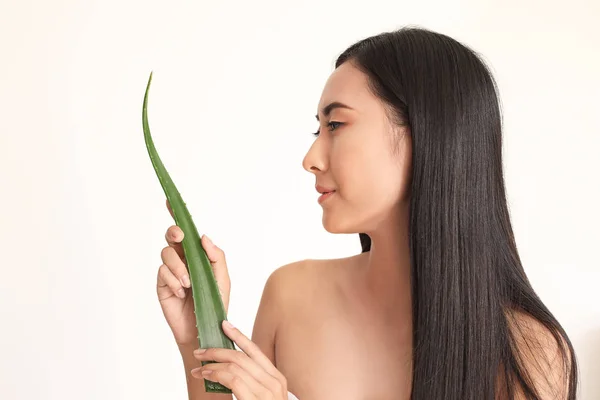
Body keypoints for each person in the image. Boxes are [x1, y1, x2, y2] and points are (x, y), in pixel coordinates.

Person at [155, 26, 579, 400]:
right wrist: (200, 336)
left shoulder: (529, 352)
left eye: (335, 125)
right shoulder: (291, 296)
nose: (310, 157)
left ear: (425, 133)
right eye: (316, 130)